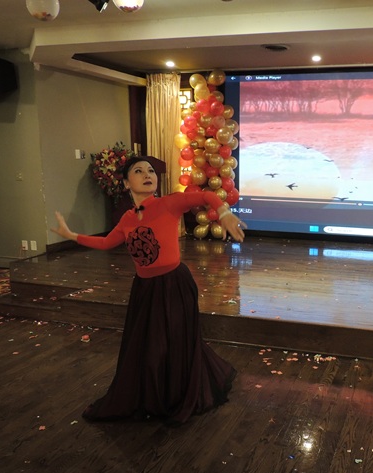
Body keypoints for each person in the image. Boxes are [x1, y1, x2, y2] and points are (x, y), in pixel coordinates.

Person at [51, 156, 247, 426]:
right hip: (145, 289)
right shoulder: (127, 218)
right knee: (151, 347)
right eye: (138, 171)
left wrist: (224, 212)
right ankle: (155, 396)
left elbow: (206, 196)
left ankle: (176, 395)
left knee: (174, 344)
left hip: (174, 285)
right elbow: (107, 243)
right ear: (125, 183)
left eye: (151, 171)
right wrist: (73, 236)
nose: (147, 174)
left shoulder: (169, 203)